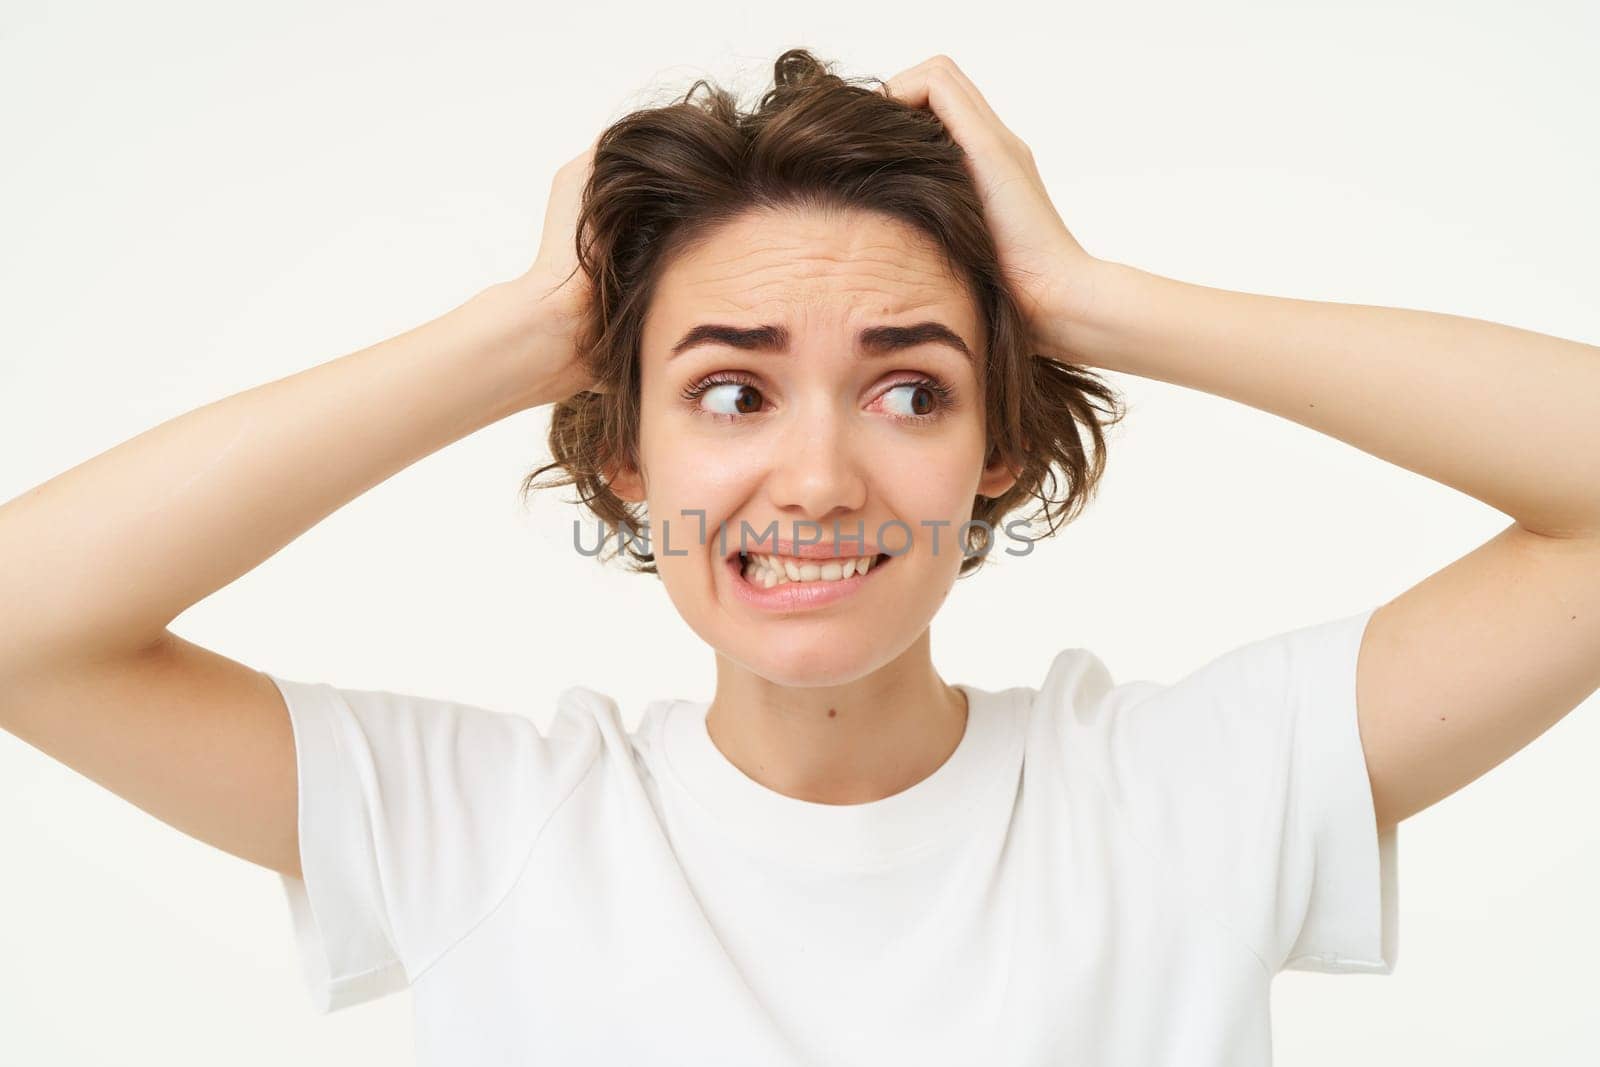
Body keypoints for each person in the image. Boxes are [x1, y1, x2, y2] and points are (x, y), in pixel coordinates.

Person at [1, 48, 1596, 1066]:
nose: (819, 477)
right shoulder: (484, 826)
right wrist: (523, 331)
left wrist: (1101, 305)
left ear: (1003, 448)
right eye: (729, 390)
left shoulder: (1191, 794)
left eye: (912, 388)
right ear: (625, 451)